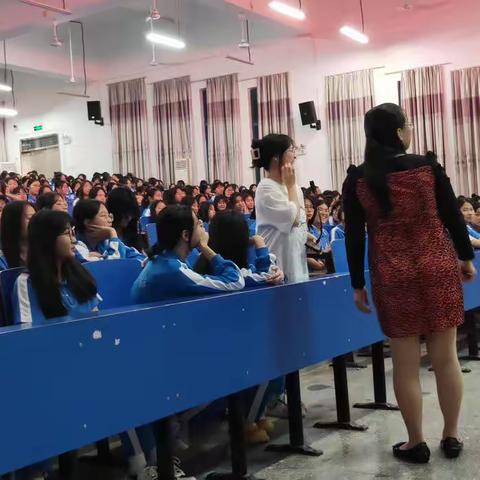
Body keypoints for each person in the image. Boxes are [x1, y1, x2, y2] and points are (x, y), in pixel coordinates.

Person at [343, 103, 476, 463]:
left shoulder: (358, 179)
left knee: (405, 364)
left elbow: (353, 236)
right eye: (409, 125)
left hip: (391, 274)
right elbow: (452, 215)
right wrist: (465, 257)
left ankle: (415, 442)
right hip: (436, 266)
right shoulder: (427, 167)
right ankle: (450, 436)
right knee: (445, 358)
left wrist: (358, 284)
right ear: (400, 132)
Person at [131, 205, 244, 304]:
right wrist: (204, 246)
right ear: (185, 235)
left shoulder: (161, 259)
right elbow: (235, 281)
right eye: (197, 224)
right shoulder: (173, 270)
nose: (201, 225)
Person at [12, 210, 100, 325]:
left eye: (72, 232)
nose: (74, 240)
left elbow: (97, 321)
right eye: (66, 233)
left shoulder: (81, 274)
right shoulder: (26, 283)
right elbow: (28, 334)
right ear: (47, 239)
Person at [253, 134, 308, 283]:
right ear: (276, 157)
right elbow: (294, 220)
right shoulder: (265, 188)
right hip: (279, 268)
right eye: (291, 150)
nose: (295, 156)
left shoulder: (294, 187)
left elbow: (301, 225)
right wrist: (290, 186)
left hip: (298, 263)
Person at [73, 199, 145, 263]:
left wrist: (101, 258)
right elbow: (114, 265)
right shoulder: (75, 247)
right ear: (87, 222)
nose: (109, 220)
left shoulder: (105, 241)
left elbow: (141, 259)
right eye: (103, 216)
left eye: (109, 216)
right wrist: (112, 233)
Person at [106, 187, 144, 251]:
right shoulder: (104, 236)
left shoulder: (131, 232)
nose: (129, 218)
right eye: (125, 214)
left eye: (131, 214)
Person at [0, 201, 36, 269]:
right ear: (13, 222)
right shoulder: (2, 257)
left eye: (36, 217)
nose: (35, 221)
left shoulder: (45, 249)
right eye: (30, 218)